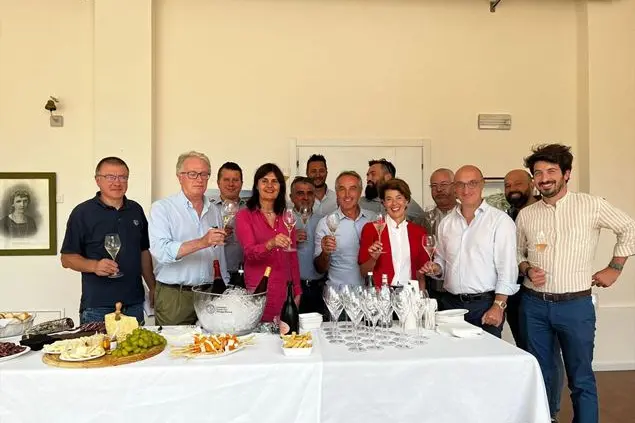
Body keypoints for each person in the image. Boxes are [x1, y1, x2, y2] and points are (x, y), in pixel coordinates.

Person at [516, 144, 635, 423]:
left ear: (566, 174)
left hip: (576, 306)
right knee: (540, 374)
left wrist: (615, 268)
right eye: (538, 173)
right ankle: (546, 418)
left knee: (581, 377)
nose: (544, 178)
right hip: (534, 306)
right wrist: (527, 268)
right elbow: (517, 252)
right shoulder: (527, 215)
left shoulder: (591, 205)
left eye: (551, 171)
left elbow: (629, 228)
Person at [421, 165, 518, 337]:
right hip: (450, 306)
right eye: (460, 184)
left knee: (485, 354)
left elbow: (508, 269)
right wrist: (436, 269)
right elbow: (442, 262)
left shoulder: (500, 221)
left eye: (472, 183)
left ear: (482, 184)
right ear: (454, 188)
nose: (466, 190)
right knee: (450, 354)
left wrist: (498, 306)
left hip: (484, 305)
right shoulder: (446, 223)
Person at [61, 157, 155, 324]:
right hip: (97, 305)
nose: (117, 182)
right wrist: (94, 266)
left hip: (133, 302)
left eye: (122, 177)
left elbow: (143, 252)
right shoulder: (82, 212)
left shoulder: (135, 210)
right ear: (98, 180)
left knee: (135, 343)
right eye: (110, 177)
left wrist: (153, 287)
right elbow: (66, 259)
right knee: (98, 343)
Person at [504, 169, 565, 421]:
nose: (512, 189)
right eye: (507, 185)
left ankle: (550, 411)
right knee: (526, 351)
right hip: (512, 292)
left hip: (541, 294)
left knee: (547, 354)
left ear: (531, 184)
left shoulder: (546, 212)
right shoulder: (509, 216)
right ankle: (532, 408)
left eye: (517, 183)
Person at [148, 151, 229, 326]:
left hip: (209, 294)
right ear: (180, 177)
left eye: (204, 174)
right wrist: (202, 242)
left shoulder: (214, 210)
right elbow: (161, 252)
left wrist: (225, 285)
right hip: (175, 296)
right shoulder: (162, 208)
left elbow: (219, 254)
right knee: (173, 343)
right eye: (193, 174)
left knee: (212, 342)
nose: (199, 179)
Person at [235, 163, 301, 322]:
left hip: (285, 292)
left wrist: (298, 291)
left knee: (286, 334)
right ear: (257, 185)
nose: (270, 185)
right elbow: (249, 253)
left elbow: (292, 258)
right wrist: (270, 244)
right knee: (258, 335)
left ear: (280, 187)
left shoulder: (287, 217)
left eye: (275, 181)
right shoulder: (244, 216)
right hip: (259, 291)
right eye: (264, 181)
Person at [359, 178, 430, 288]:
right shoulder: (371, 229)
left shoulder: (419, 232)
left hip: (410, 294)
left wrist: (421, 295)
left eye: (399, 198)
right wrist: (373, 258)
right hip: (382, 294)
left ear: (407, 201)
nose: (394, 203)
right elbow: (363, 272)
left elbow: (421, 274)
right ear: (383, 203)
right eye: (389, 199)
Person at [314, 171, 376, 288]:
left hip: (370, 293)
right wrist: (325, 253)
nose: (347, 194)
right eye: (342, 189)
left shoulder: (374, 219)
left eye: (352, 188)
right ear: (336, 193)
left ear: (360, 191)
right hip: (338, 294)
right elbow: (319, 269)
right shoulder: (325, 223)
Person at [419, 168, 458, 301]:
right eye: (434, 186)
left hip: (461, 291)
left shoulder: (467, 216)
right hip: (432, 289)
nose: (439, 189)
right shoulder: (422, 220)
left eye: (444, 185)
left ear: (454, 186)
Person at [289, 176, 326, 316]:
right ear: (291, 197)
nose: (305, 197)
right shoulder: (283, 220)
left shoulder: (323, 221)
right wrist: (290, 239)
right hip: (290, 288)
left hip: (317, 289)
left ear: (314, 196)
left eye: (310, 193)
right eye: (300, 193)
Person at [211, 161, 247, 285]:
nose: (231, 184)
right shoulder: (208, 209)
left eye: (235, 180)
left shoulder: (251, 210)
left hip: (245, 274)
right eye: (226, 180)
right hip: (215, 275)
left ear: (241, 183)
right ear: (218, 183)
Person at [359, 158, 425, 222]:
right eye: (368, 175)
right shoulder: (360, 202)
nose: (368, 179)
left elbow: (425, 222)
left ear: (388, 177)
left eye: (373, 174)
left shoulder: (404, 202)